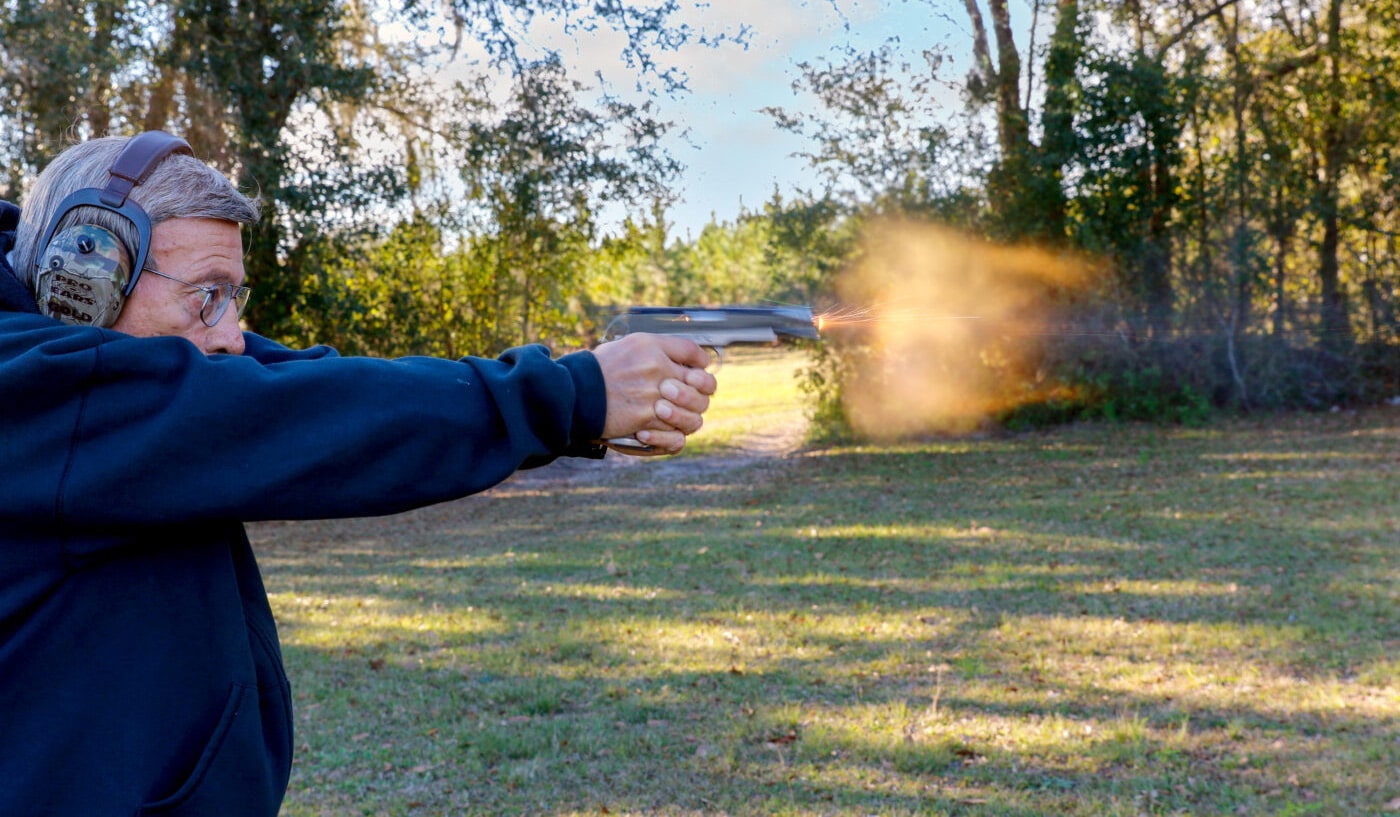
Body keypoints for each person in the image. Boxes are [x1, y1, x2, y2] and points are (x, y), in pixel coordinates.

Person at [0, 132, 717, 816]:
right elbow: (297, 416)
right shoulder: (30, 394)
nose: (229, 332)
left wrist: (578, 397)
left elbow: (312, 385)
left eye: (234, 295)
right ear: (82, 280)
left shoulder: (84, 378)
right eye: (206, 294)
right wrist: (572, 394)